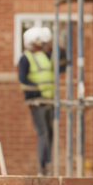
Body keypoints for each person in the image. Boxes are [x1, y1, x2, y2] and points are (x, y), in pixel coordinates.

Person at [18, 27, 56, 175]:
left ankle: (49, 163)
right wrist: (38, 90)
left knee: (50, 132)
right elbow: (23, 80)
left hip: (49, 99)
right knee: (43, 133)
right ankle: (42, 167)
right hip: (36, 101)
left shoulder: (44, 55)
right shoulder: (25, 57)